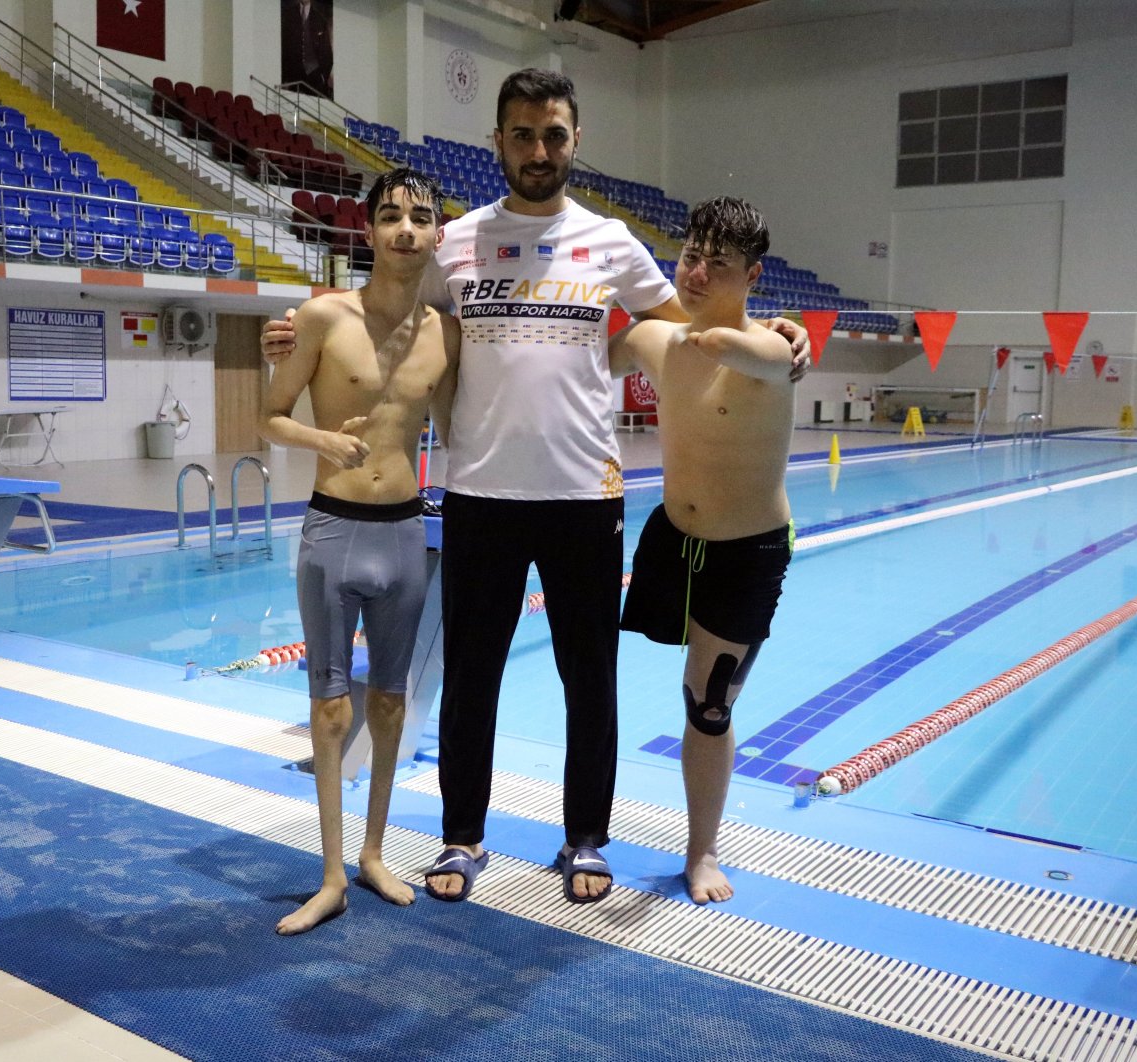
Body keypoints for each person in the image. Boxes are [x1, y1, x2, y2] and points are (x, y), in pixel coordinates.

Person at [263, 69, 810, 907]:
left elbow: (697, 326)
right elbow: (387, 303)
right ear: (498, 143)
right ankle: (460, 837)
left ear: (575, 140)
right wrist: (297, 322)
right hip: (478, 494)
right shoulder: (457, 241)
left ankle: (586, 838)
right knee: (472, 675)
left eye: (553, 134)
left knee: (589, 679)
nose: (538, 150)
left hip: (584, 498)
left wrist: (780, 329)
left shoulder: (613, 242)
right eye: (522, 134)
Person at [258, 167, 459, 935]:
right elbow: (271, 416)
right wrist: (319, 439)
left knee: (391, 703)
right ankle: (332, 874)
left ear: (436, 233)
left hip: (406, 534)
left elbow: (472, 420)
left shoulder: (446, 334)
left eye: (418, 216)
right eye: (389, 217)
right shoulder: (318, 317)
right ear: (368, 233)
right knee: (330, 708)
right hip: (334, 531)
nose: (405, 229)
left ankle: (375, 855)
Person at [610, 197, 796, 905]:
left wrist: (769, 327)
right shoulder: (655, 341)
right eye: (690, 256)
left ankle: (702, 850)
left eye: (718, 264)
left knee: (708, 704)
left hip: (746, 552)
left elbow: (757, 355)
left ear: (752, 274)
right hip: (670, 541)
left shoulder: (774, 351)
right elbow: (573, 358)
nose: (696, 272)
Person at [280, 0, 333, 99]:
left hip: (315, 77)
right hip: (293, 77)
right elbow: (284, 48)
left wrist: (322, 77)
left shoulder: (320, 20)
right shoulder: (288, 16)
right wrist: (284, 79)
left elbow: (327, 54)